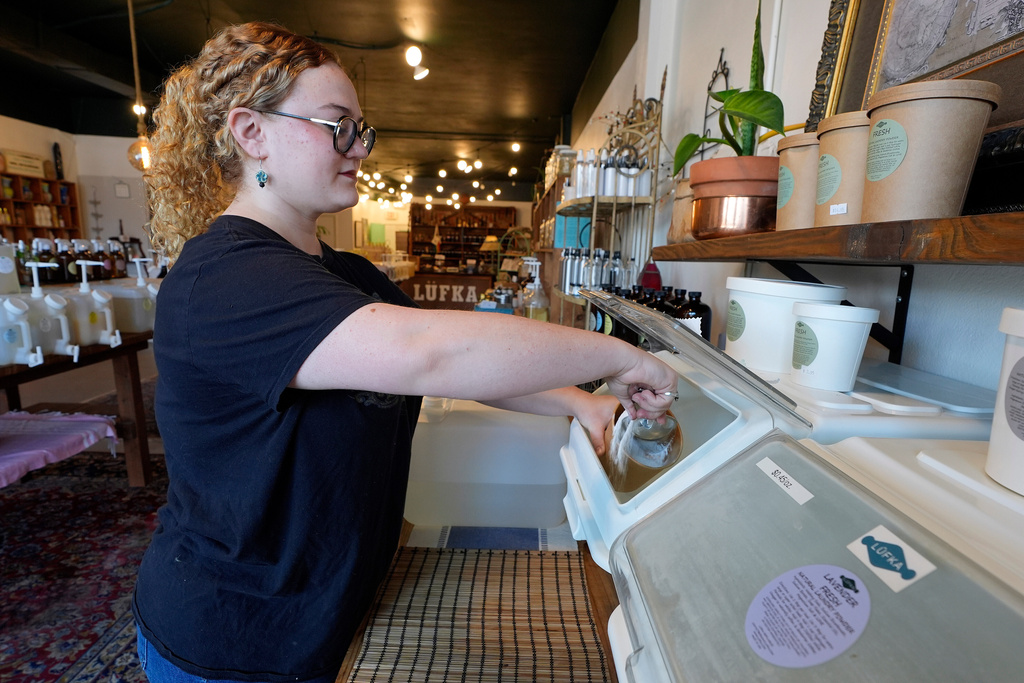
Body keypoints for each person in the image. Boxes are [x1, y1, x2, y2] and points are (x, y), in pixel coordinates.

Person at [132, 21, 678, 683]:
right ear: (252, 133)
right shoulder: (223, 279)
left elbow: (470, 367)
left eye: (361, 130)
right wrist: (617, 357)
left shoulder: (347, 275)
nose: (358, 148)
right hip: (236, 638)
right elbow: (428, 353)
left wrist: (579, 401)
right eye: (337, 126)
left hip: (327, 613)